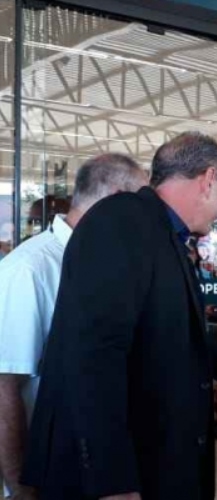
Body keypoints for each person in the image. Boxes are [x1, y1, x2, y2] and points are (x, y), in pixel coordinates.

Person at [21, 132, 217, 500]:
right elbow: (94, 355)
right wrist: (112, 481)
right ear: (209, 179)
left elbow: (170, 327)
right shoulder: (119, 222)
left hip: (156, 462)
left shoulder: (159, 232)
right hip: (119, 475)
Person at [0, 154, 148, 500]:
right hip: (49, 476)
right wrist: (23, 489)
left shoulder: (106, 263)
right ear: (113, 198)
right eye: (139, 203)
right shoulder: (29, 269)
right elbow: (5, 388)